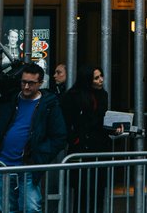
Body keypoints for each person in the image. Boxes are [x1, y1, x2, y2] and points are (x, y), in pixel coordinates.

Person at [0, 63, 67, 213]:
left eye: (31, 83)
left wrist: (40, 155)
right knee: (6, 208)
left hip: (28, 165)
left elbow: (60, 136)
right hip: (2, 164)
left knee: (31, 207)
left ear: (40, 83)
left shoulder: (48, 104)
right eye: (23, 82)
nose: (26, 86)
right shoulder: (11, 101)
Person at [60, 66, 122, 213]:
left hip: (99, 148)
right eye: (96, 78)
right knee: (82, 192)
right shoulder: (73, 96)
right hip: (82, 149)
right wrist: (74, 139)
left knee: (98, 190)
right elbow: (67, 122)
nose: (101, 80)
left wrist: (113, 128)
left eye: (101, 76)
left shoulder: (102, 95)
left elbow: (102, 120)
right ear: (87, 80)